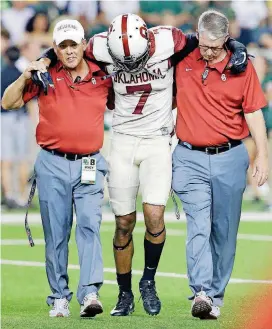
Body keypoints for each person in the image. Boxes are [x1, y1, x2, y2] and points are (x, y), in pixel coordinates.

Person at [38, 13, 247, 317]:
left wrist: (238, 47)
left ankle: (147, 281)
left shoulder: (168, 39)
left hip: (157, 141)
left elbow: (204, 40)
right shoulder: (100, 46)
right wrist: (44, 60)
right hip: (122, 139)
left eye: (137, 60)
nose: (133, 67)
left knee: (154, 215)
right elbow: (62, 51)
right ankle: (124, 292)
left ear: (149, 41)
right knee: (124, 222)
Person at [2, 19, 112, 318]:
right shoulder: (43, 74)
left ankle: (89, 292)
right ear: (56, 48)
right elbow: (8, 102)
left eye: (73, 44)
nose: (68, 50)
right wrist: (25, 75)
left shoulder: (103, 75)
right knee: (56, 232)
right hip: (52, 162)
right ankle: (59, 296)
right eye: (62, 46)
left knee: (89, 224)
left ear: (83, 44)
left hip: (89, 161)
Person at [172, 10, 268, 320]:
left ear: (227, 40)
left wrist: (263, 157)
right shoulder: (183, 57)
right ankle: (201, 291)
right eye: (204, 45)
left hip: (230, 156)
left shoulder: (242, 67)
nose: (209, 53)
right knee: (199, 225)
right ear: (197, 35)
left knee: (225, 233)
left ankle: (216, 295)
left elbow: (254, 113)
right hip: (189, 158)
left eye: (215, 47)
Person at [1, 41, 41, 209]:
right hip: (21, 118)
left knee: (6, 160)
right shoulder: (21, 75)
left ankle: (9, 196)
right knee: (23, 159)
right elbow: (31, 103)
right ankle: (23, 198)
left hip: (4, 119)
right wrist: (36, 125)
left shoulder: (1, 74)